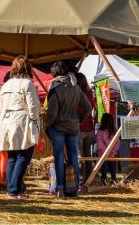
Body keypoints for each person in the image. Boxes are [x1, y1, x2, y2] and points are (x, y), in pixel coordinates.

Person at [0, 55, 40, 199]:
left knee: (12, 157)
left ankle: (11, 189)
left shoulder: (6, 85)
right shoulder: (27, 84)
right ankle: (14, 190)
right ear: (28, 68)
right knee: (24, 156)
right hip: (22, 122)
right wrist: (34, 122)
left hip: (7, 123)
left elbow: (2, 107)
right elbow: (33, 107)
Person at [46, 61, 91, 198]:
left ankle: (60, 189)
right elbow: (88, 108)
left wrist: (47, 125)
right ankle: (75, 189)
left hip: (58, 127)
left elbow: (52, 112)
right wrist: (78, 120)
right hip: (73, 127)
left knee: (59, 157)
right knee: (73, 157)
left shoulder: (55, 88)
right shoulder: (76, 88)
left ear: (53, 73)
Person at [75, 72, 95, 188]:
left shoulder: (78, 94)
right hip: (90, 129)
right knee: (88, 156)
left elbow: (78, 109)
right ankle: (89, 179)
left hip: (80, 129)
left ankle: (81, 181)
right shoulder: (90, 93)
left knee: (80, 157)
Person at [97, 113, 119, 185]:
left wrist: (111, 151)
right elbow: (117, 142)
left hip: (105, 153)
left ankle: (108, 179)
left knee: (107, 166)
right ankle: (110, 179)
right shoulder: (114, 131)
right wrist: (112, 151)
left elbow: (117, 142)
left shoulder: (101, 131)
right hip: (107, 153)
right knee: (108, 166)